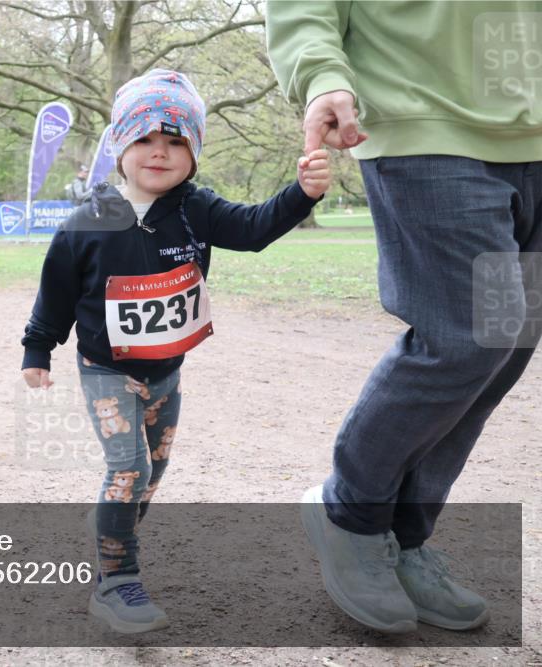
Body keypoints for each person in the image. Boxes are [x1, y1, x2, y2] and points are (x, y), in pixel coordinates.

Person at [20, 69, 330, 633]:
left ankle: (110, 525)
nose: (158, 153)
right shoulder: (84, 223)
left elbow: (256, 228)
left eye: (175, 142)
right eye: (144, 139)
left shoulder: (196, 209)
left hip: (167, 373)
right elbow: (56, 292)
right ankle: (116, 583)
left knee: (151, 475)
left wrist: (302, 194)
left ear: (193, 154)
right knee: (128, 466)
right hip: (105, 369)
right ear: (119, 145)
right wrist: (36, 350)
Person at [267, 1, 540, 635]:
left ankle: (404, 536)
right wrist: (320, 73)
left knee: (505, 344)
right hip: (422, 125)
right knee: (465, 340)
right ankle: (351, 515)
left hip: (533, 138)